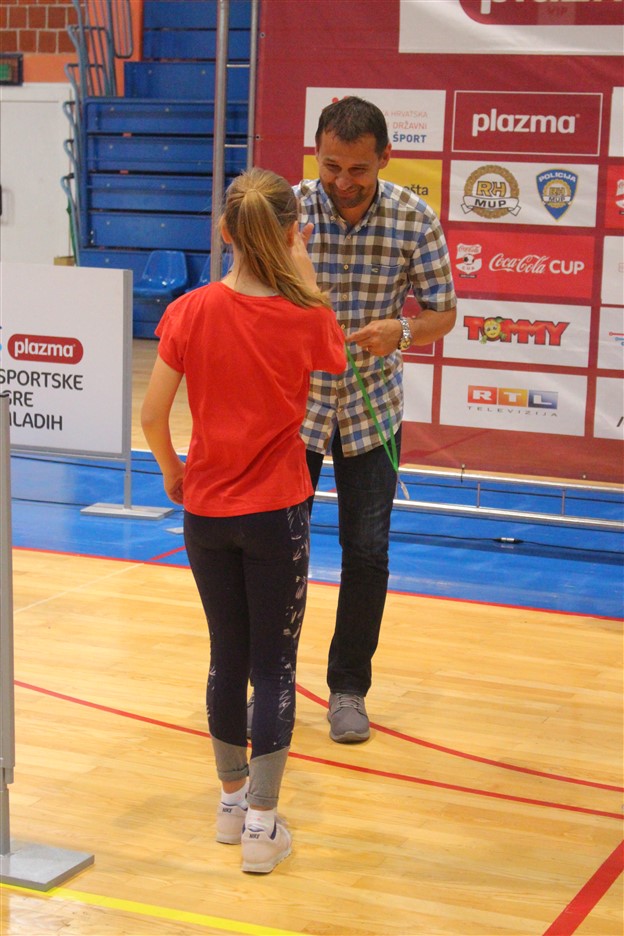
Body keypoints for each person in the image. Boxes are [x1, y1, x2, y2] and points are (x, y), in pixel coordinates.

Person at [141, 168, 346, 874]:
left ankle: (231, 807)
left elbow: (152, 415)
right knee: (274, 665)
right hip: (275, 514)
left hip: (206, 512)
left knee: (226, 657)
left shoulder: (189, 310)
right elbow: (334, 351)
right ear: (292, 233)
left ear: (224, 231)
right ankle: (262, 826)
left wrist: (174, 471)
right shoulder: (307, 317)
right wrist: (302, 266)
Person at [297, 95, 457, 743]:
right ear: (316, 154)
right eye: (331, 166)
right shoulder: (287, 214)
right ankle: (270, 682)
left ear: (386, 158)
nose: (343, 181)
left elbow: (444, 312)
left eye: (358, 169)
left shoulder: (415, 218)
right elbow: (241, 293)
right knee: (277, 549)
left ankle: (348, 690)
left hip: (371, 411)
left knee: (366, 552)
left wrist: (404, 330)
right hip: (293, 411)